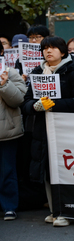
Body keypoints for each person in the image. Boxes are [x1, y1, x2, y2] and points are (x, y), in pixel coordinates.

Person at [21, 37, 74, 227]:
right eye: (44, 48)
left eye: (52, 48)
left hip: (67, 130)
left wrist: (55, 105)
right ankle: (55, 210)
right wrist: (35, 106)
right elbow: (25, 103)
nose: (48, 51)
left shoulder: (73, 72)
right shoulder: (37, 72)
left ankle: (66, 212)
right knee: (48, 171)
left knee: (66, 170)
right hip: (42, 130)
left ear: (63, 52)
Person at [0, 41, 27, 221]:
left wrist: (4, 85)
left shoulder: (11, 73)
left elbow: (19, 99)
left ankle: (9, 206)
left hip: (6, 131)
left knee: (7, 170)